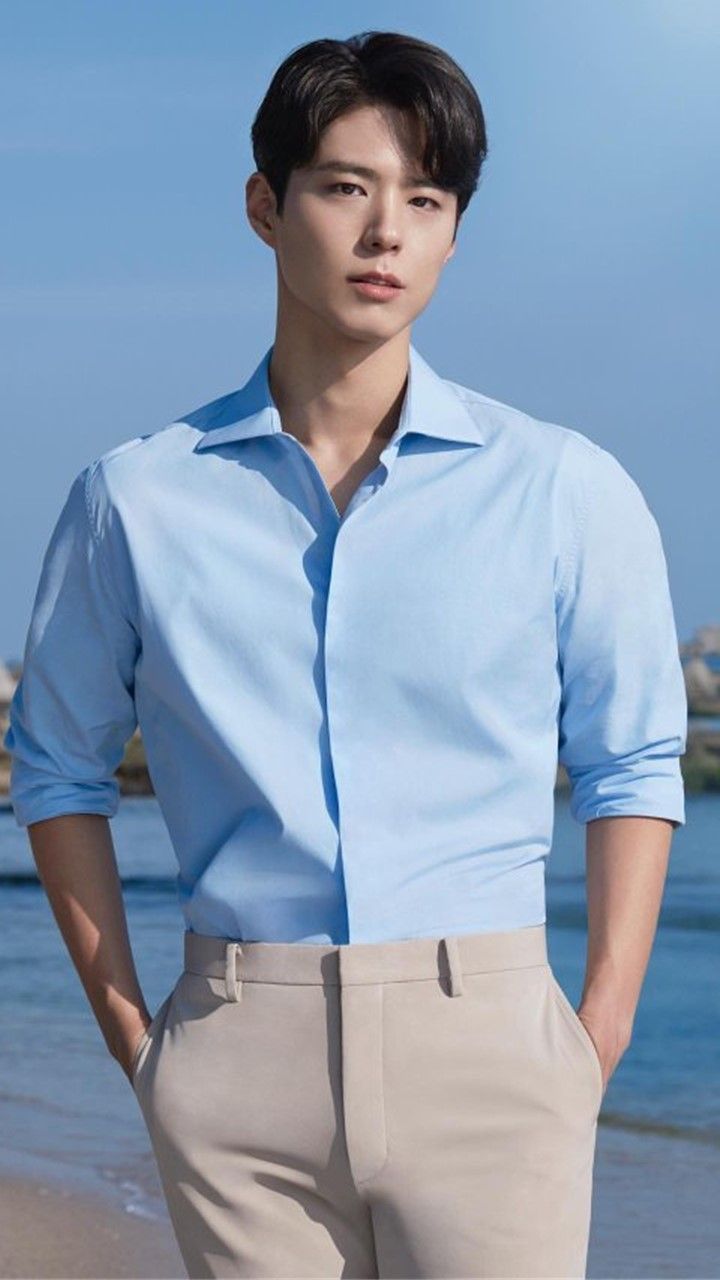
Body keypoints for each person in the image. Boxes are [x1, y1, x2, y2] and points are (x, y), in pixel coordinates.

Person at [3, 29, 687, 1280]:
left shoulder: (560, 489)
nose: (387, 233)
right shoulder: (136, 500)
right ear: (266, 206)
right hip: (234, 1056)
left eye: (425, 200)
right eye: (345, 186)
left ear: (454, 234)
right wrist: (136, 1035)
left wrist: (599, 1026)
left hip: (491, 1050)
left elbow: (632, 756)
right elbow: (56, 767)